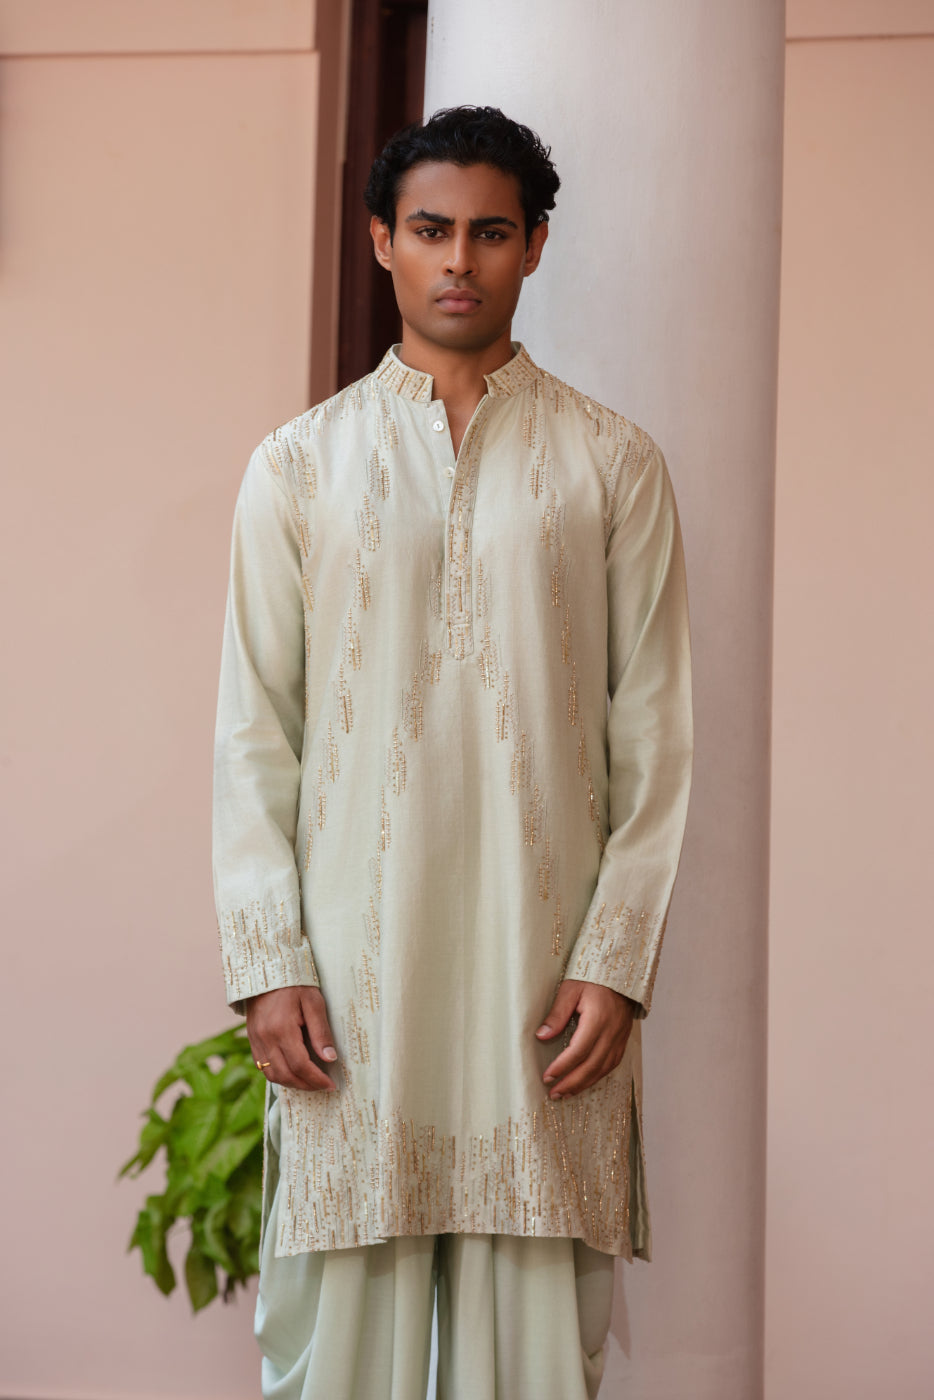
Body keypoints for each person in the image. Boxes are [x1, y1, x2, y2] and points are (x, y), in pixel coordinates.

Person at [213, 105, 693, 1400]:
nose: (459, 261)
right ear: (382, 240)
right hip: (351, 973)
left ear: (534, 246)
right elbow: (255, 730)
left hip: (543, 978)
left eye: (490, 232)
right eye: (431, 230)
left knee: (531, 1350)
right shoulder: (297, 467)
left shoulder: (611, 464)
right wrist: (268, 963)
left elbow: (655, 732)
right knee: (333, 1346)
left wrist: (616, 961)